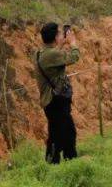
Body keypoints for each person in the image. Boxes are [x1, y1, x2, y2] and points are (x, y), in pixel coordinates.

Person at [34, 22, 80, 163]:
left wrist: (60, 44)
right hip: (56, 100)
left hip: (51, 101)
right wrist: (73, 43)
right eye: (60, 34)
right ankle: (67, 160)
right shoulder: (52, 54)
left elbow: (55, 55)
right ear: (55, 37)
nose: (62, 35)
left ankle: (54, 161)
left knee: (56, 132)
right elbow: (74, 57)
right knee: (66, 132)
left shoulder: (40, 53)